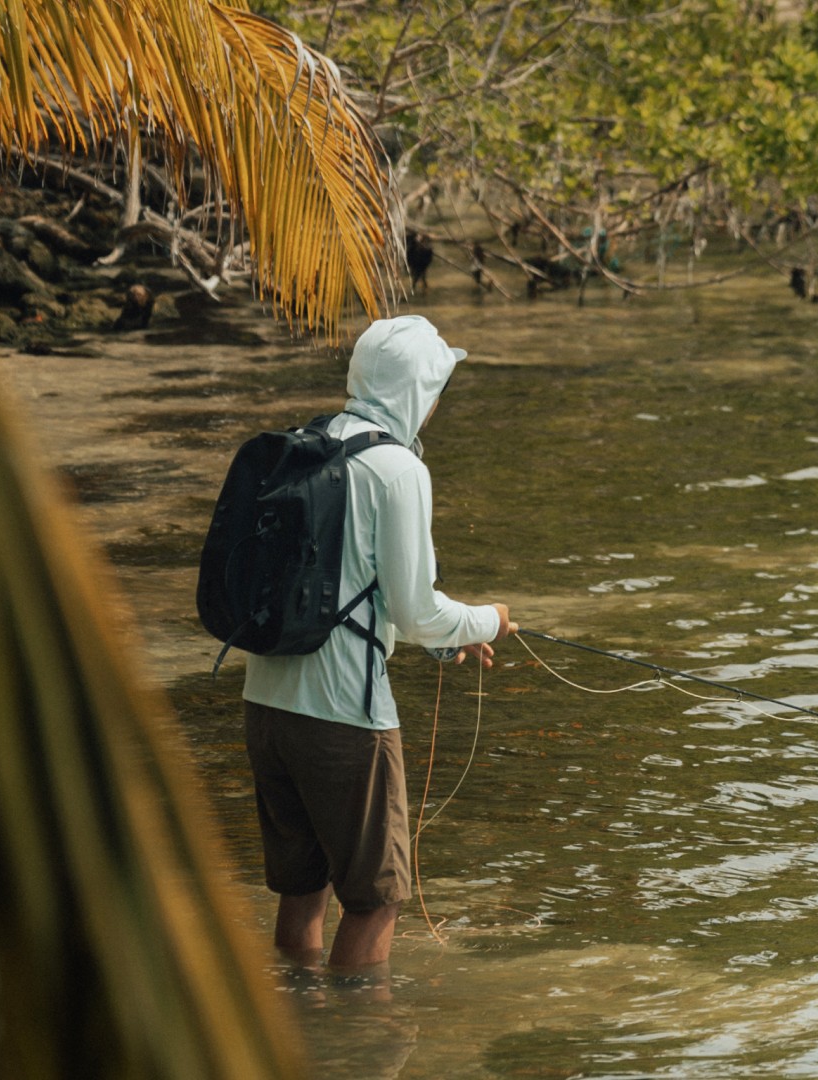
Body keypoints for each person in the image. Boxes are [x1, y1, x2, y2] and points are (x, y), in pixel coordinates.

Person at [240, 315, 516, 975]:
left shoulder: (306, 445)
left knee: (302, 887)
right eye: (439, 383)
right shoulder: (396, 470)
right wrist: (488, 620)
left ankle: (297, 1028)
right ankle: (358, 1050)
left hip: (266, 705)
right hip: (343, 718)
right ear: (419, 389)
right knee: (376, 900)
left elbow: (353, 588)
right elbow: (418, 611)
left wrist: (438, 645)